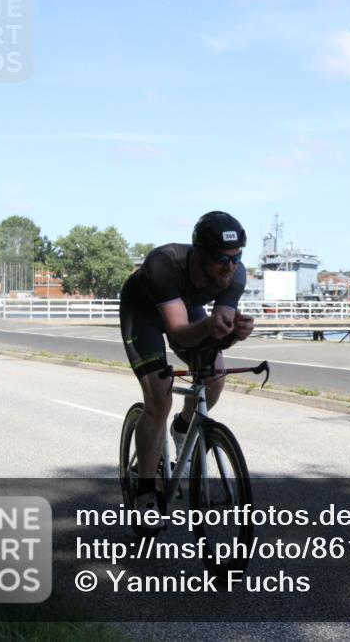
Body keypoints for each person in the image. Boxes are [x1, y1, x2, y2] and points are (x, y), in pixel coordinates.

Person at [119, 211, 255, 519]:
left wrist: (233, 332)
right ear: (201, 255)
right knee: (159, 397)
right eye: (222, 259)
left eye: (237, 258)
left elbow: (215, 333)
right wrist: (211, 327)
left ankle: (182, 428)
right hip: (143, 314)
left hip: (186, 308)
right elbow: (179, 332)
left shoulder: (235, 275)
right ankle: (145, 491)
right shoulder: (164, 263)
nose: (230, 267)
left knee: (216, 375)